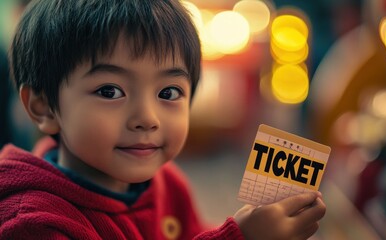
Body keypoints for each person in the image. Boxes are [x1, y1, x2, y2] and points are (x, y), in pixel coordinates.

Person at [0, 0, 326, 239]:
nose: (147, 118)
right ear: (43, 108)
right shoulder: (33, 222)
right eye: (110, 91)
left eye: (168, 93)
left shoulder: (165, 182)